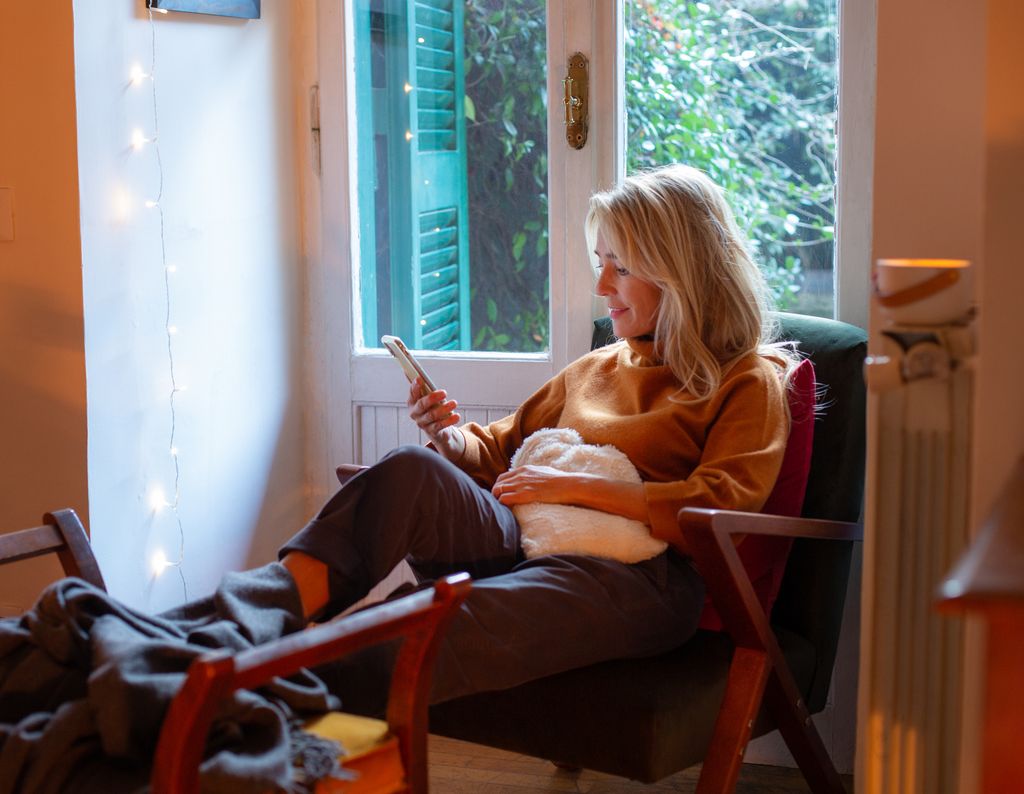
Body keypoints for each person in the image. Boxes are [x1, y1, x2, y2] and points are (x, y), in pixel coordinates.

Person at [279, 164, 796, 705]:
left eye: (619, 269)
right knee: (414, 468)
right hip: (528, 541)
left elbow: (714, 510)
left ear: (681, 272)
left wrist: (566, 487)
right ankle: (252, 626)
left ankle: (272, 684)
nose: (601, 287)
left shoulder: (746, 379)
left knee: (453, 613)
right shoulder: (595, 369)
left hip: (639, 578)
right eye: (601, 264)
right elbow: (500, 451)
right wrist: (452, 441)